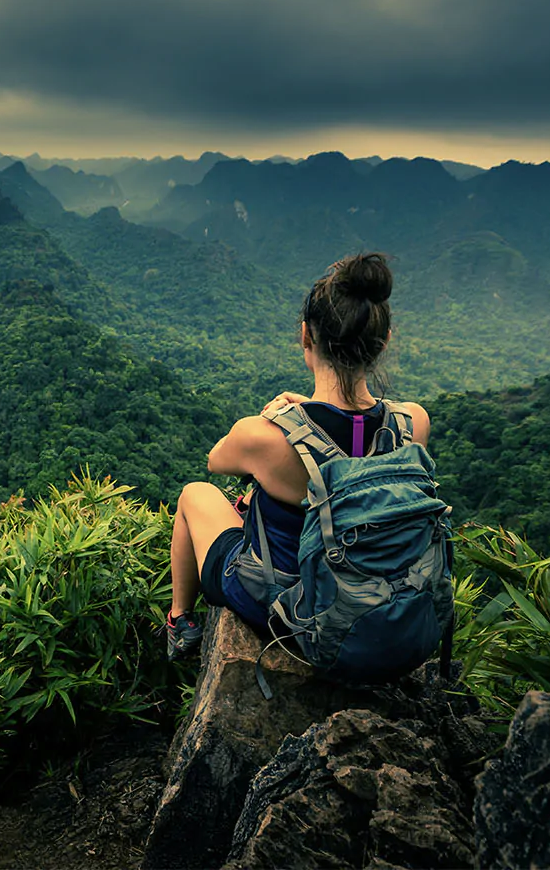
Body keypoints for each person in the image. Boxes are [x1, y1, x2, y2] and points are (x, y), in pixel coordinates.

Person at [164, 252, 431, 660]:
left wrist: (285, 420)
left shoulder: (263, 437)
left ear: (306, 336)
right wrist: (308, 415)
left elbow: (215, 461)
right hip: (388, 608)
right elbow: (353, 455)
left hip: (294, 614)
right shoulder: (412, 423)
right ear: (384, 341)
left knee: (194, 494)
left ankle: (179, 620)